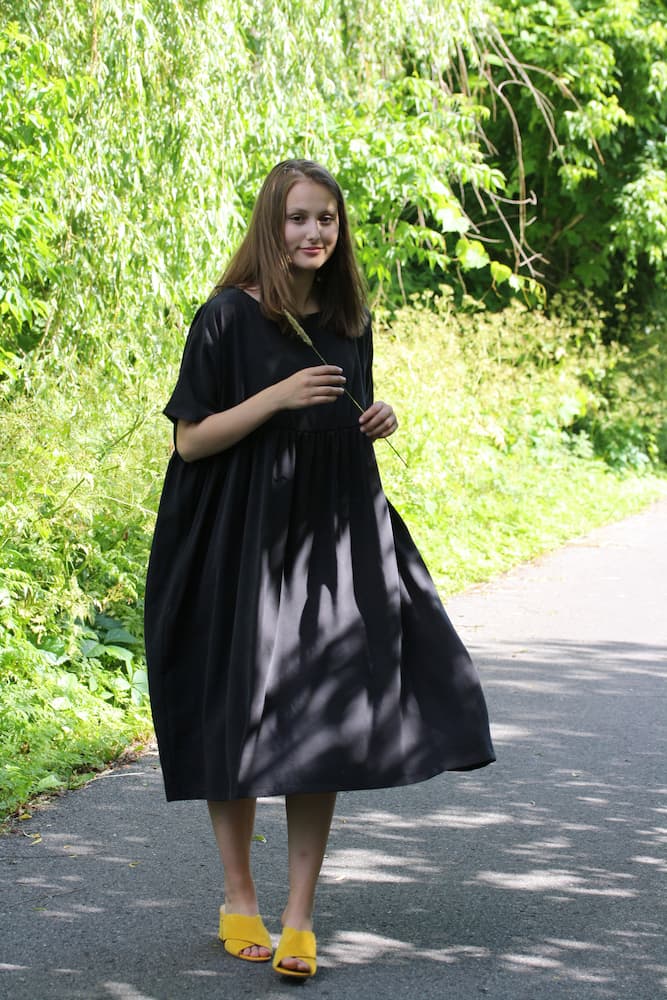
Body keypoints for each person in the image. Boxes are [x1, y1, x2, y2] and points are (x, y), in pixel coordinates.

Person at [144, 158, 495, 980]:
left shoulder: (349, 316)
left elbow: (344, 406)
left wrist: (378, 416)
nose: (313, 234)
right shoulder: (226, 318)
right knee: (237, 712)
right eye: (299, 218)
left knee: (320, 723)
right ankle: (240, 898)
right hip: (238, 538)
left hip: (334, 534)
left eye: (326, 221)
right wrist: (274, 397)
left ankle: (300, 915)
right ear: (273, 224)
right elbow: (190, 439)